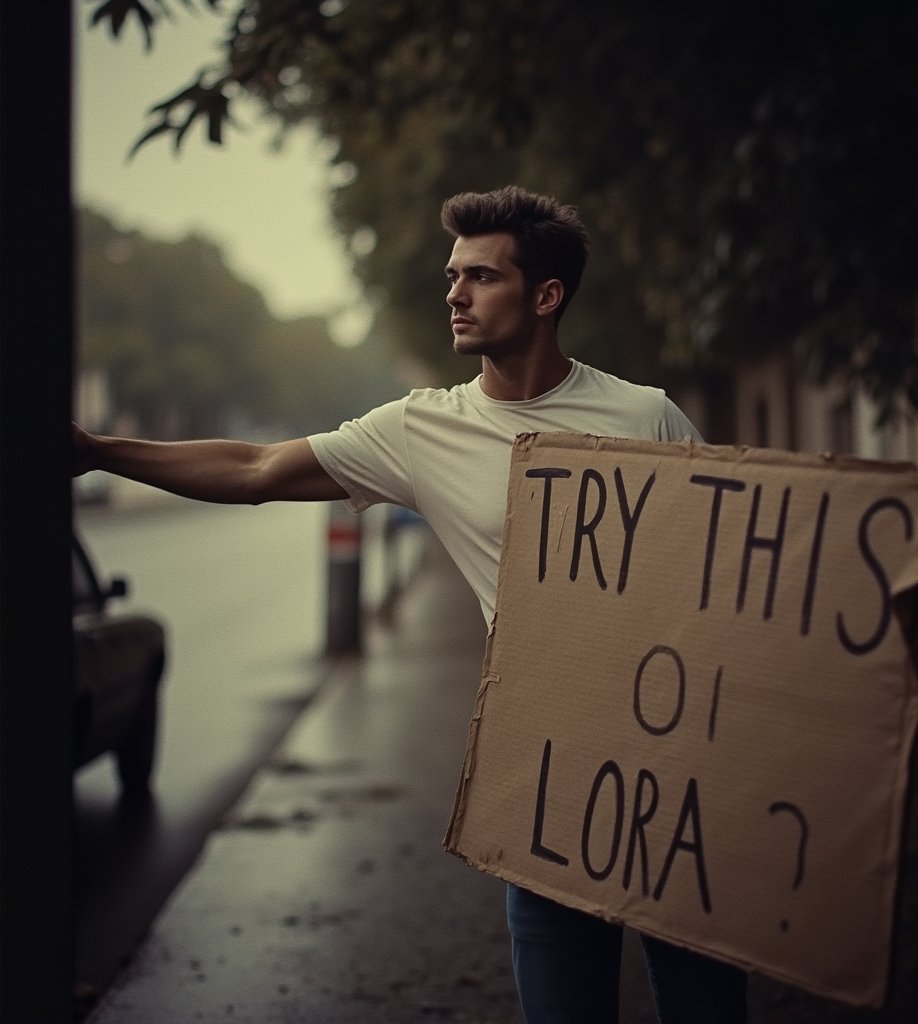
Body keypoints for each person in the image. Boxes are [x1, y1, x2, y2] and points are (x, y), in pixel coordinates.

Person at [72, 184, 748, 1023]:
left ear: (546, 297)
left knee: (707, 1007)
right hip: (542, 777)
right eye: (452, 274)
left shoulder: (644, 416)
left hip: (674, 766)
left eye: (481, 277)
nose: (455, 293)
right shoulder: (421, 430)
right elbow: (252, 471)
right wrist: (96, 450)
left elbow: (731, 589)